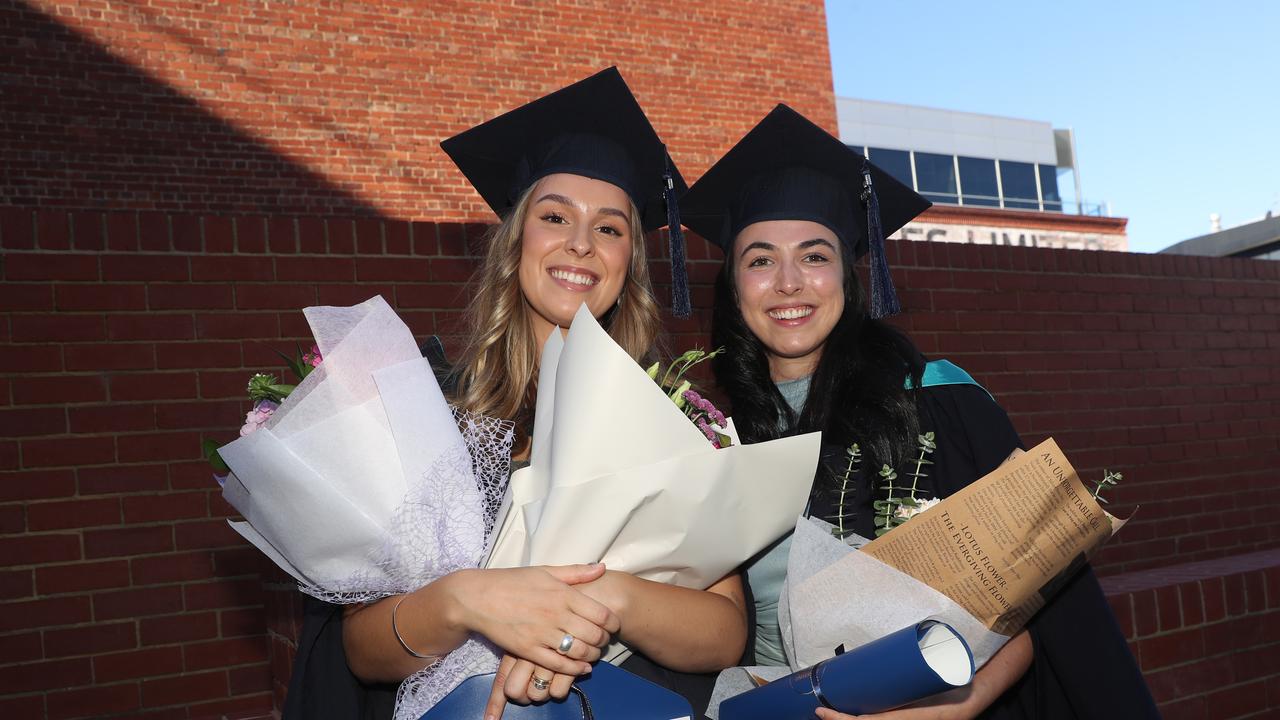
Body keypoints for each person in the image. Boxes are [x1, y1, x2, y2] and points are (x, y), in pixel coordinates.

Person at [282, 68, 744, 720]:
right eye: (554, 216)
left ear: (630, 263)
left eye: (610, 228)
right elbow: (359, 649)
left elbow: (725, 634)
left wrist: (599, 597)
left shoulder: (668, 416)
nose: (581, 243)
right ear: (514, 242)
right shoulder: (427, 407)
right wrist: (463, 601)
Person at [679, 105, 1159, 719]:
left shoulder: (936, 398)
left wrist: (972, 695)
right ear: (734, 283)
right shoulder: (715, 437)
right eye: (761, 259)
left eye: (816, 256)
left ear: (850, 277)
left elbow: (1031, 591)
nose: (789, 282)